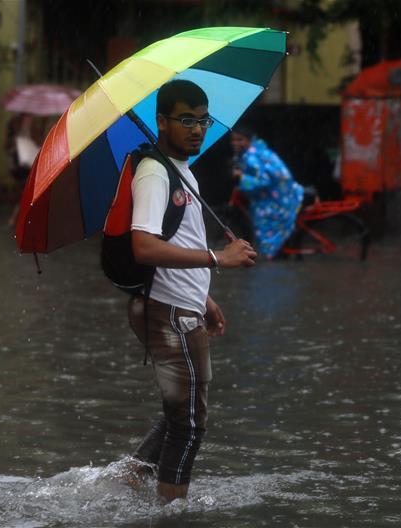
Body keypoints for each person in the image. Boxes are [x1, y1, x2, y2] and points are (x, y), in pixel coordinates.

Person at [127, 80, 257, 503]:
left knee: (179, 414)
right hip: (170, 314)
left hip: (184, 306)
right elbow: (144, 246)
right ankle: (171, 510)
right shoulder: (154, 173)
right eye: (186, 120)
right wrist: (219, 258)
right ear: (161, 121)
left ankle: (130, 478)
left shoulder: (181, 170)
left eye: (203, 120)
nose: (198, 129)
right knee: (190, 424)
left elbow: (181, 240)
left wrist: (204, 298)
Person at [230, 127, 304, 258]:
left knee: (266, 225)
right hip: (287, 194)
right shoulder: (259, 152)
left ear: (249, 140)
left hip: (277, 200)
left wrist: (242, 177)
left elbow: (264, 181)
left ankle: (275, 254)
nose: (235, 143)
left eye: (240, 139)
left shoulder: (251, 156)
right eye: (234, 140)